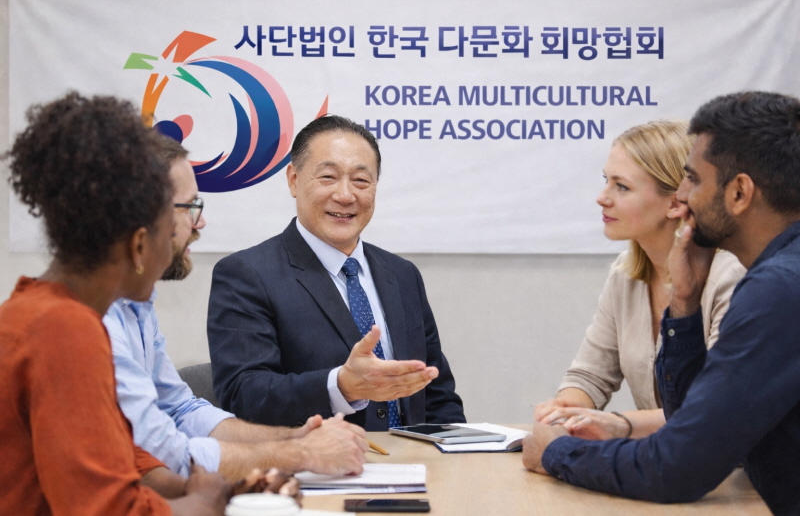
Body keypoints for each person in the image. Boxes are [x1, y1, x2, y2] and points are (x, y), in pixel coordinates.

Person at [522, 91, 800, 515]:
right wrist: (685, 302)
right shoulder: (776, 275)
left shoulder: (777, 289)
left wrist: (555, 452)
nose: (683, 197)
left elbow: (680, 465)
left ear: (740, 192)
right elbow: (695, 418)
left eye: (694, 180)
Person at [0, 92, 233, 515]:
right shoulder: (65, 331)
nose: (191, 231)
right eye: (171, 228)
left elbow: (118, 454)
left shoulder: (38, 312)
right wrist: (203, 502)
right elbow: (107, 508)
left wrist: (202, 488)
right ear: (140, 245)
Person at [104, 137, 369, 480]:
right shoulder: (88, 321)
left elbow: (181, 409)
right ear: (139, 218)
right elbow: (161, 452)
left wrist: (294, 438)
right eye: (189, 207)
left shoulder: (135, 304)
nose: (200, 223)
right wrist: (300, 453)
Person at [207, 115, 465, 430]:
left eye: (361, 181)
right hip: (315, 458)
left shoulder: (402, 275)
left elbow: (437, 396)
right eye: (328, 177)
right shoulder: (246, 275)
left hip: (412, 457)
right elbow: (244, 395)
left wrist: (458, 451)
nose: (345, 195)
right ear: (293, 180)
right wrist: (341, 386)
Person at [534, 121, 744, 440]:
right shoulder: (625, 274)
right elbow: (589, 377)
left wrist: (617, 423)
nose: (602, 198)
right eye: (606, 181)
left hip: (733, 467)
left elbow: (715, 409)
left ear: (676, 202)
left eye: (622, 187)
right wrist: (564, 409)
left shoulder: (732, 275)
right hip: (666, 459)